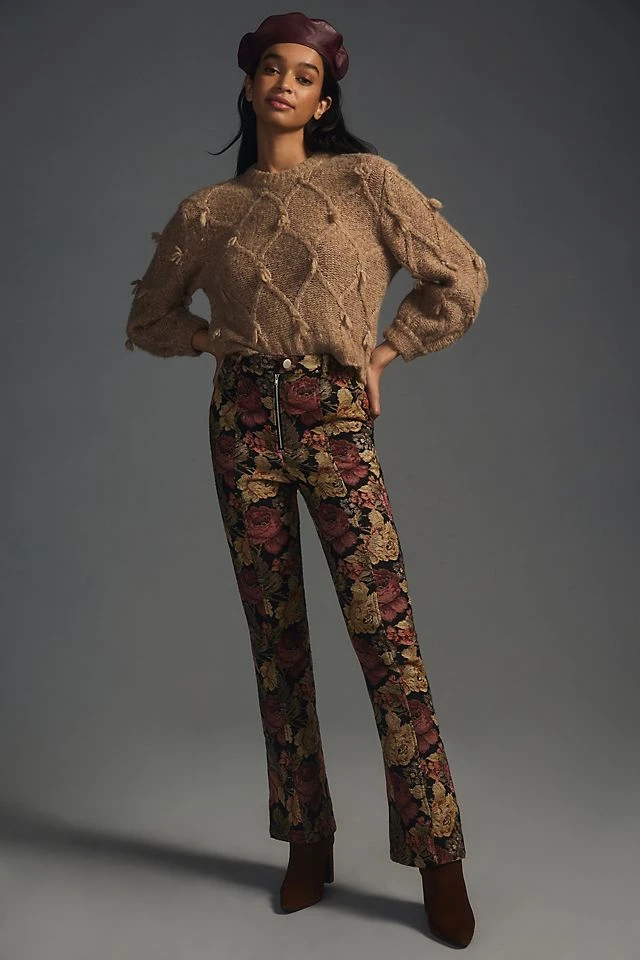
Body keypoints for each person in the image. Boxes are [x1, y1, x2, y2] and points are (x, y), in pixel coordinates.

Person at [124, 12, 489, 949]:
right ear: (249, 85)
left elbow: (458, 276)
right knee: (275, 642)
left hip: (334, 417)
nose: (285, 84)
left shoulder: (365, 181)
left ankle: (440, 858)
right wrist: (210, 340)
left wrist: (388, 350)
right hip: (243, 425)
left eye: (305, 75)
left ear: (325, 100)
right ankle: (306, 841)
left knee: (387, 641)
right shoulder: (210, 210)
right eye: (271, 70)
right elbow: (151, 316)